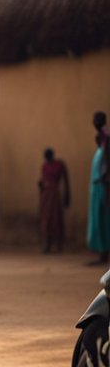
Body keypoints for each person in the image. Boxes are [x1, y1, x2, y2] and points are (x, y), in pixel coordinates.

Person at [87, 112, 110, 265]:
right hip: (97, 184)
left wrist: (105, 179)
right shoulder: (100, 139)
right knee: (98, 219)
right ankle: (101, 253)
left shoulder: (106, 138)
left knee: (103, 219)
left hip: (103, 184)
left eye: (98, 119)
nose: (95, 121)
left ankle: (104, 254)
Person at [38, 148, 70, 254]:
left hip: (54, 195)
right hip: (46, 195)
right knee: (46, 220)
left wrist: (67, 195)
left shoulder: (59, 165)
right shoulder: (44, 166)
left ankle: (58, 245)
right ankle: (47, 244)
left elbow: (66, 180)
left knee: (55, 219)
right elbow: (42, 182)